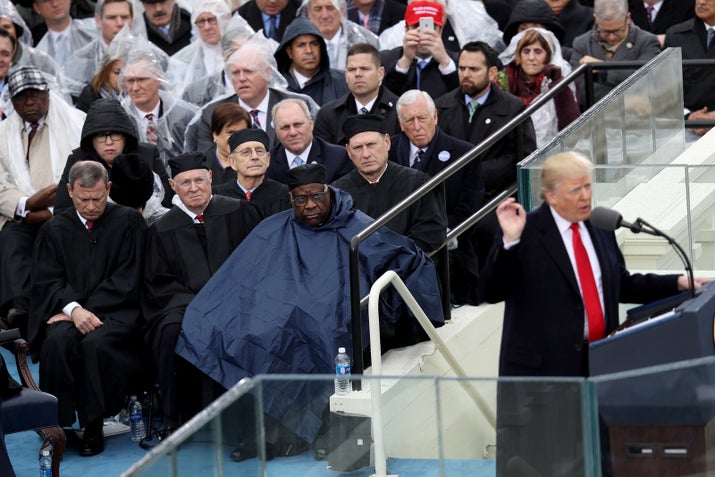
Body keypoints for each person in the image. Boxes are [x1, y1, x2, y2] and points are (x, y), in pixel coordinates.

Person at [176, 162, 444, 455]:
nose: (310, 205)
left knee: (319, 335)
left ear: (329, 192)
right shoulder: (275, 227)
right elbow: (246, 276)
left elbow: (401, 255)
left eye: (317, 196)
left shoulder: (355, 225)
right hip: (285, 310)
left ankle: (314, 431)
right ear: (291, 201)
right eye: (300, 200)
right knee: (248, 332)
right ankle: (275, 433)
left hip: (335, 314)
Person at [28, 160, 148, 456]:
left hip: (118, 312)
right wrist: (73, 310)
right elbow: (46, 279)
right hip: (70, 313)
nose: (92, 206)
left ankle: (93, 425)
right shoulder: (54, 228)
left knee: (96, 343)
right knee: (57, 341)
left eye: (98, 198)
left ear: (108, 188)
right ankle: (58, 426)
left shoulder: (129, 222)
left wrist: (83, 310)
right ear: (70, 191)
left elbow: (129, 277)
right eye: (84, 199)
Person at [143, 152, 262, 433]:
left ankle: (250, 421)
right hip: (185, 305)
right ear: (173, 186)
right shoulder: (162, 229)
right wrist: (199, 306)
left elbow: (258, 263)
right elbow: (158, 283)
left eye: (199, 179)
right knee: (170, 331)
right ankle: (178, 421)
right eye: (185, 182)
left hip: (238, 300)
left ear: (211, 178)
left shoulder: (238, 212)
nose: (194, 187)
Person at [435, 41, 537, 268]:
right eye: (462, 68)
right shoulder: (442, 106)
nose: (466, 75)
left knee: (484, 232)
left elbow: (525, 156)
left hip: (493, 198)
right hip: (451, 199)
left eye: (473, 69)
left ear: (492, 73)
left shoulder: (513, 108)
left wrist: (479, 175)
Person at [0, 66, 85, 336]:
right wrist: (26, 205)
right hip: (22, 213)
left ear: (48, 93)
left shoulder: (75, 122)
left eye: (35, 94)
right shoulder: (3, 133)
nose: (29, 102)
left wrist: (52, 208)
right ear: (11, 102)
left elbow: (85, 171)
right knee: (11, 236)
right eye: (21, 97)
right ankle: (19, 308)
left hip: (67, 209)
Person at [388, 90, 482, 304]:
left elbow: (469, 208)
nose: (417, 126)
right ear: (401, 124)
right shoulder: (387, 152)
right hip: (398, 248)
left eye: (422, 118)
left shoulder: (463, 153)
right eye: (409, 120)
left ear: (435, 117)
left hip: (448, 251)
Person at [333, 113, 447, 256]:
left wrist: (390, 256)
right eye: (357, 148)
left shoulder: (415, 182)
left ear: (387, 142)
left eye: (371, 145)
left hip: (408, 268)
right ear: (349, 151)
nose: (366, 154)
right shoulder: (339, 193)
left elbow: (430, 234)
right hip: (359, 272)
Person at [184, 37, 319, 152]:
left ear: (267, 73)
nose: (242, 78)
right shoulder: (212, 113)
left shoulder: (296, 107)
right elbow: (209, 162)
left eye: (248, 71)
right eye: (236, 73)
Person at [54, 98, 173, 211]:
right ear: (91, 139)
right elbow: (63, 210)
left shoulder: (147, 155)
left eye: (115, 134)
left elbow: (167, 203)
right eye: (101, 135)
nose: (109, 142)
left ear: (126, 136)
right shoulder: (78, 160)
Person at [498, 27, 580, 146]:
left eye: (538, 51)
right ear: (519, 55)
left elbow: (571, 127)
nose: (531, 58)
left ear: (549, 56)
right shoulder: (502, 81)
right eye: (526, 51)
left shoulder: (561, 82)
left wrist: (557, 83)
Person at [571, 0, 661, 105]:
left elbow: (645, 80)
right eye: (605, 31)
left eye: (617, 30)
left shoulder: (647, 41)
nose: (611, 37)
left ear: (628, 18)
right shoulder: (581, 43)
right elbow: (579, 88)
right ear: (595, 19)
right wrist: (625, 99)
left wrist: (602, 69)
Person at [119, 48, 198, 165]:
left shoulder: (185, 115)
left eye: (142, 79)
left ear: (158, 78)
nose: (135, 87)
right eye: (130, 81)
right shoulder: (119, 117)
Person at [314, 42, 400, 145]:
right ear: (346, 75)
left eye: (364, 69)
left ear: (380, 73)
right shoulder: (328, 114)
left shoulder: (400, 111)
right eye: (352, 70)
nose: (358, 74)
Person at [380, 1, 459, 100]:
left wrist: (445, 61)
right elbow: (383, 98)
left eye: (430, 27)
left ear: (440, 30)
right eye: (416, 26)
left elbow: (464, 98)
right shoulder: (387, 59)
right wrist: (405, 60)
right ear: (406, 30)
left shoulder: (458, 61)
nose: (422, 33)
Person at [267, 98, 353, 183]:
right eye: (285, 127)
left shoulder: (338, 157)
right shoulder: (267, 163)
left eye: (298, 125)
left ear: (311, 124)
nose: (293, 132)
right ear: (276, 132)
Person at [61, 0, 134, 98]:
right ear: (98, 21)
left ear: (132, 20)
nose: (119, 23)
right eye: (112, 18)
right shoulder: (81, 59)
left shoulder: (148, 54)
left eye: (124, 17)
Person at [213, 128, 291, 217]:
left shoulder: (284, 194)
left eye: (259, 151)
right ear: (232, 162)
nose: (255, 157)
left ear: (268, 158)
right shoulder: (218, 196)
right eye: (246, 152)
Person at [664, 0, 715, 136]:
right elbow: (664, 89)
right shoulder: (675, 35)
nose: (701, 2)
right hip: (683, 128)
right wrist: (688, 117)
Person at [273, 16, 349, 106]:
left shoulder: (344, 82)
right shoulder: (277, 86)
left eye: (314, 44)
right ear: (289, 52)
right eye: (301, 45)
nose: (309, 50)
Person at [166, 0, 232, 96]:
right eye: (201, 21)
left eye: (211, 19)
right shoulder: (183, 59)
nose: (206, 27)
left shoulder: (239, 48)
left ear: (224, 20)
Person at [302, 0, 379, 70]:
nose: (325, 16)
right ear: (309, 13)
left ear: (342, 9)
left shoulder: (367, 40)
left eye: (330, 8)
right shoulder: (297, 44)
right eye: (318, 9)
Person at [26, 0, 96, 67]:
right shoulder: (32, 46)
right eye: (46, 0)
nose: (55, 4)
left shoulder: (95, 29)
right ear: (37, 8)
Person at [205, 102, 251, 185]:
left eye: (242, 132)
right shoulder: (202, 165)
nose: (236, 137)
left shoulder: (256, 164)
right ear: (215, 134)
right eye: (230, 132)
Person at [501, 0, 565, 48]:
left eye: (535, 28)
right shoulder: (505, 63)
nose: (529, 34)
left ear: (548, 31)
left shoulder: (567, 57)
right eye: (523, 29)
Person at [628, 0, 694, 46]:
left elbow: (690, 37)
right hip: (634, 60)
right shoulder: (625, 4)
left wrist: (669, 38)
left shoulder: (687, 5)